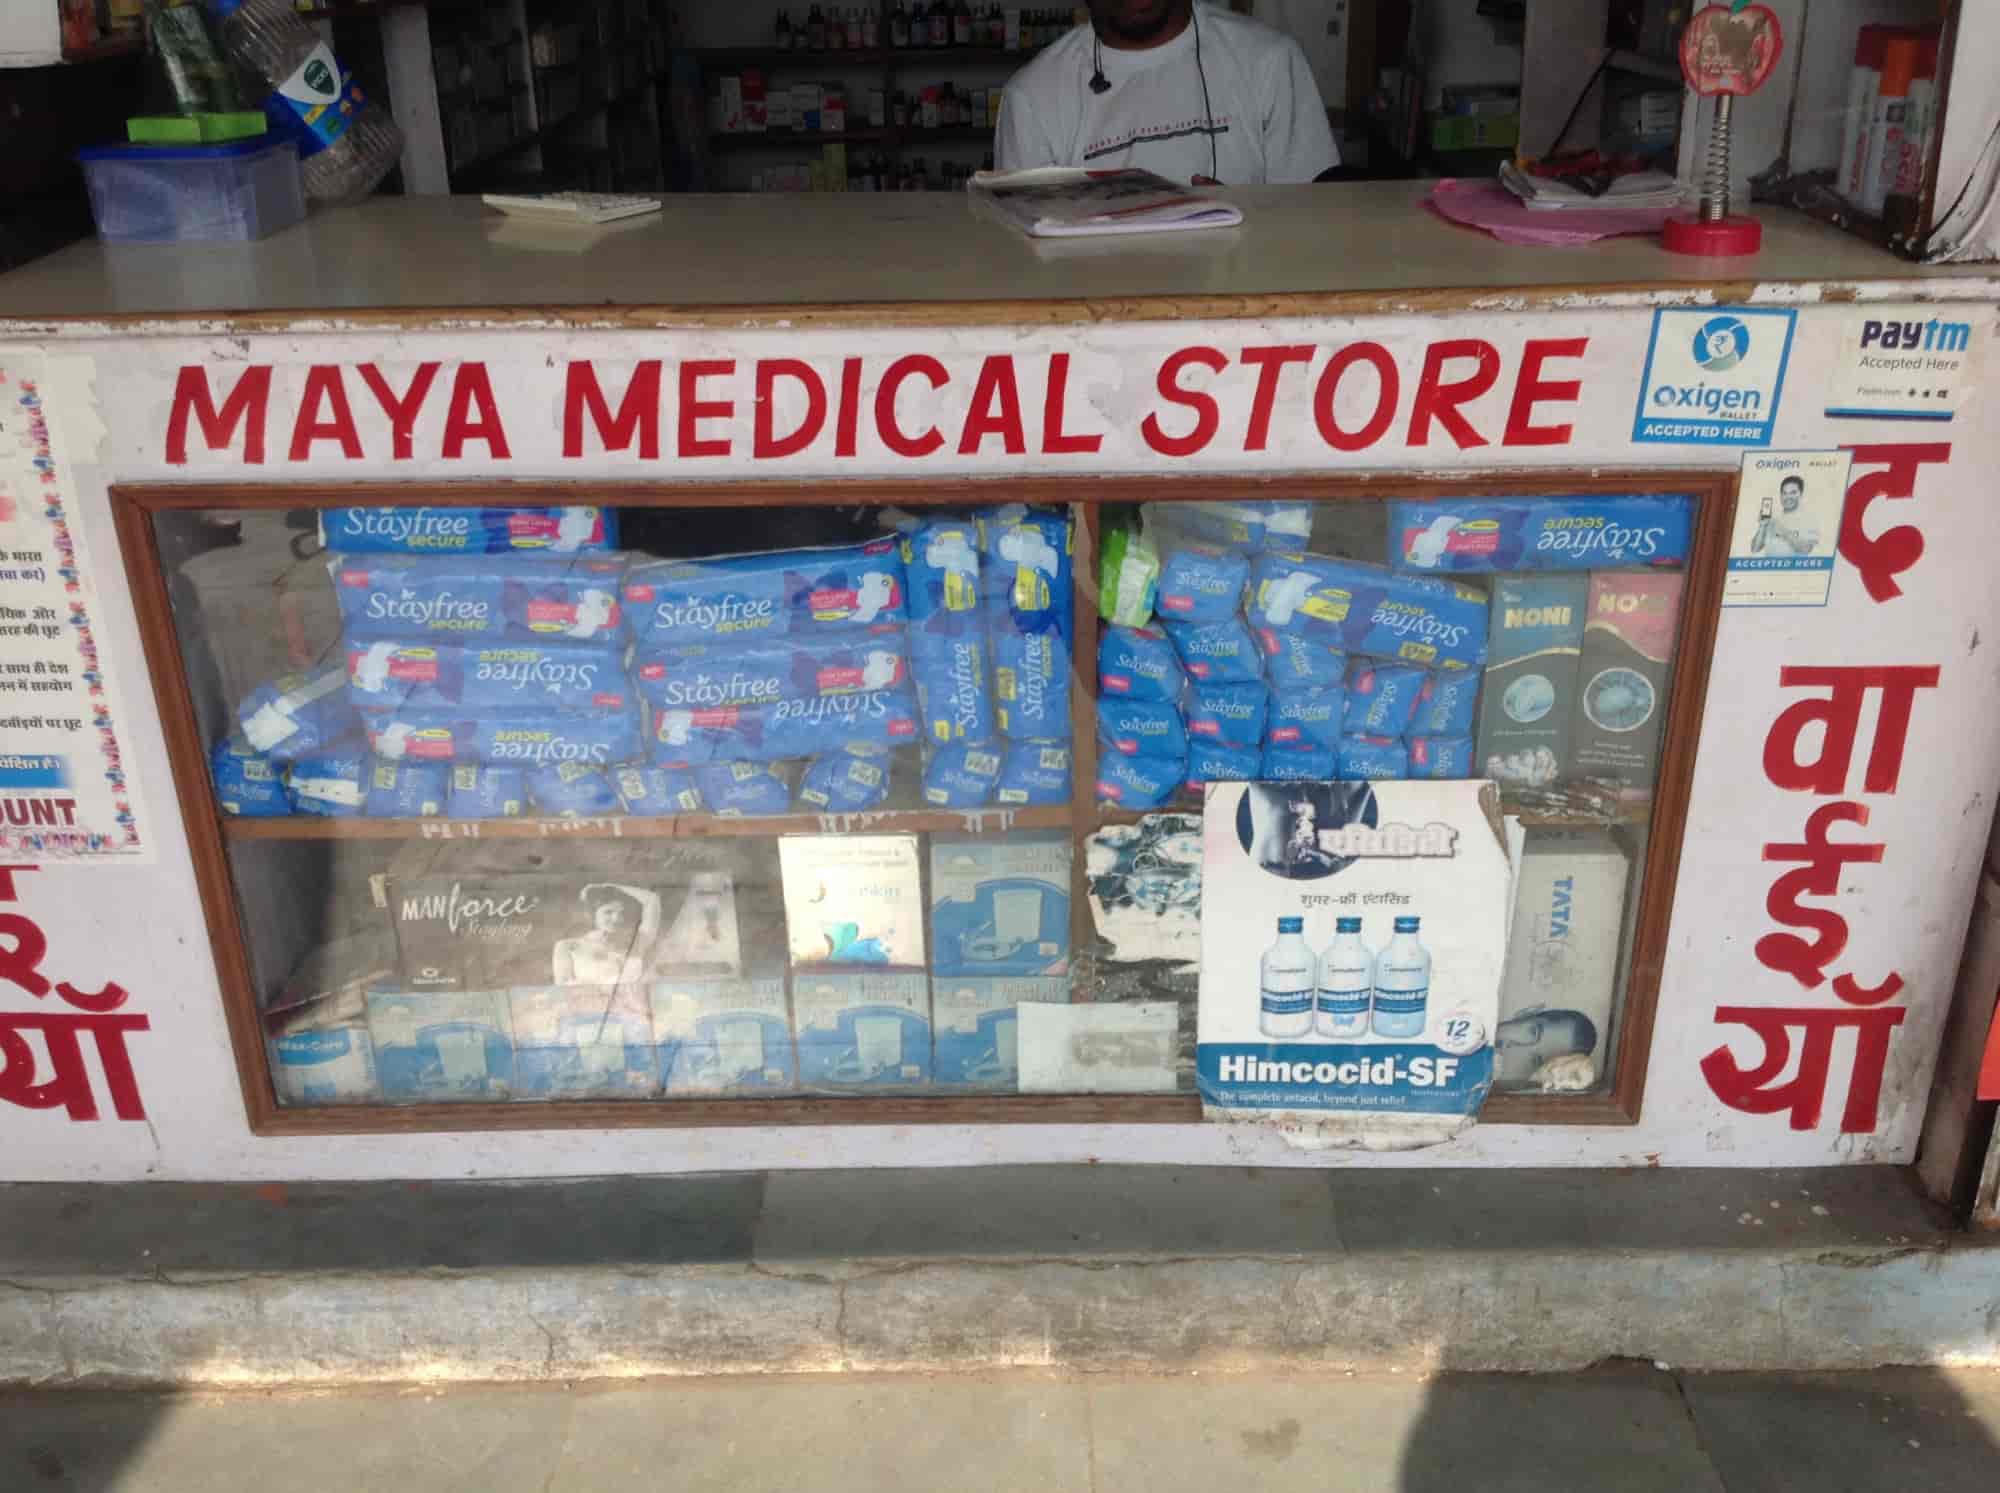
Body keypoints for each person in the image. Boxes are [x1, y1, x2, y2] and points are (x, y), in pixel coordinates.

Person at [994, 0, 1337, 185]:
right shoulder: (1031, 97)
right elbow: (1026, 259)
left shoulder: (1269, 61)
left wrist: (1242, 223)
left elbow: (1312, 226)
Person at [553, 883, 662, 988]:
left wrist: (608, 885)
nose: (616, 918)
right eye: (608, 912)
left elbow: (652, 899)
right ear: (593, 914)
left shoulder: (637, 942)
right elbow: (563, 987)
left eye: (621, 913)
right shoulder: (568, 946)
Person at [1750, 474, 1823, 558]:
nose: (1788, 497)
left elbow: (1806, 549)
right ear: (1780, 495)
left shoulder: (1809, 519)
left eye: (1793, 493)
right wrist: (1762, 526)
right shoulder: (1772, 519)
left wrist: (1784, 532)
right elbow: (1754, 549)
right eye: (1784, 493)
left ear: (1801, 494)